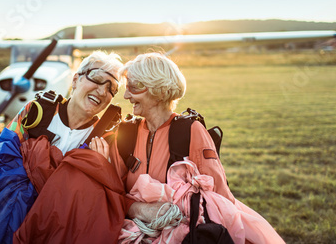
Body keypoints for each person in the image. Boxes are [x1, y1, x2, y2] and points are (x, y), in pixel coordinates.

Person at [0, 50, 124, 244]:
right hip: (3, 214)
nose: (102, 91)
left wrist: (97, 166)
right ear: (75, 80)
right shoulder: (37, 112)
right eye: (96, 78)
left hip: (52, 228)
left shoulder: (105, 139)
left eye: (111, 88)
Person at [105, 53, 285, 243]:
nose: (126, 95)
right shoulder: (125, 134)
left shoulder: (191, 131)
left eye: (134, 87)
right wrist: (139, 209)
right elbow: (113, 194)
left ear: (160, 90)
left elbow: (219, 196)